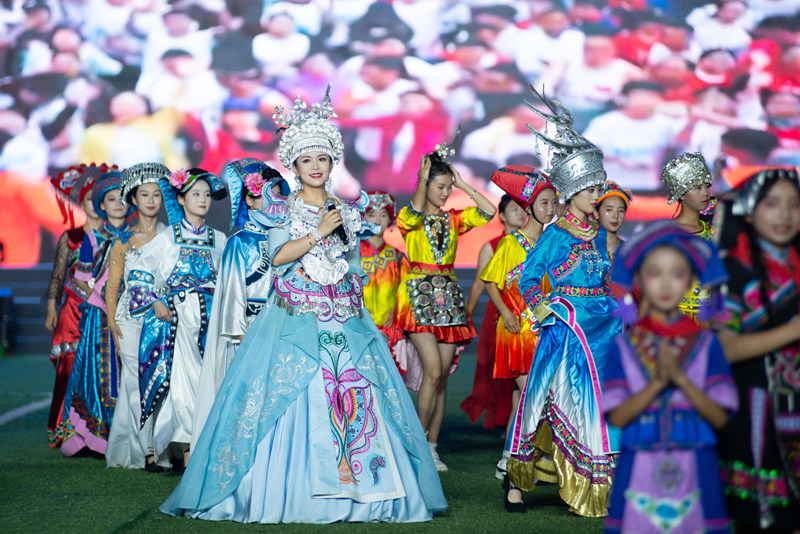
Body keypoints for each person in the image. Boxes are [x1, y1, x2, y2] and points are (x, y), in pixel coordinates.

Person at [160, 88, 447, 523]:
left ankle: (365, 486)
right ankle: (291, 489)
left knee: (358, 395)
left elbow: (351, 267)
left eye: (323, 159)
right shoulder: (281, 209)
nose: (315, 167)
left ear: (333, 163)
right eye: (306, 160)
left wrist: (346, 268)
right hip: (296, 315)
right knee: (292, 395)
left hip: (344, 316)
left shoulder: (346, 212)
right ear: (293, 166)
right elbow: (276, 259)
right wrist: (317, 233)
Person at [504, 89, 622, 515]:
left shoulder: (597, 235)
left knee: (604, 400)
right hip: (569, 329)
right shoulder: (556, 235)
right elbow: (528, 277)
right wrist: (545, 305)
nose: (598, 195)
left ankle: (595, 484)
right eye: (591, 189)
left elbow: (603, 279)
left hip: (603, 325)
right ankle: (518, 482)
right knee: (555, 401)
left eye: (598, 188)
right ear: (572, 192)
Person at [603, 221, 737, 533]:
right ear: (638, 280)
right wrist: (659, 384)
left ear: (692, 279)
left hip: (696, 468)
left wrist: (679, 378)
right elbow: (618, 417)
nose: (665, 284)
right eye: (655, 273)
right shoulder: (624, 346)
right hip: (639, 470)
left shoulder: (707, 343)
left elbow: (720, 417)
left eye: (677, 274)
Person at [395, 140, 496, 472]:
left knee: (441, 382)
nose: (444, 192)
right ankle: (416, 444)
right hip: (419, 297)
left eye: (446, 187)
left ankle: (431, 447)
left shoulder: (454, 218)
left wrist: (464, 184)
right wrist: (423, 182)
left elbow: (487, 211)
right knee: (433, 372)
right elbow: (412, 211)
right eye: (439, 186)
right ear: (426, 185)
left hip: (450, 300)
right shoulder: (410, 218)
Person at [715, 168, 800, 532]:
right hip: (757, 408)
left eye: (795, 205)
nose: (784, 214)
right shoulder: (730, 271)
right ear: (749, 211)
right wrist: (793, 331)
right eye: (772, 204)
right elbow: (726, 348)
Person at [128, 167, 228, 472]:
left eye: (207, 195)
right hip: (177, 322)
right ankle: (189, 454)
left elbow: (230, 282)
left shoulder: (220, 239)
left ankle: (201, 450)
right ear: (181, 199)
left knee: (210, 384)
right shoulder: (167, 238)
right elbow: (138, 277)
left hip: (211, 323)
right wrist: (156, 301)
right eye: (195, 194)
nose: (203, 200)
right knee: (185, 387)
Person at [189, 158, 288, 452]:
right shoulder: (239, 242)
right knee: (246, 395)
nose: (274, 203)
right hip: (248, 330)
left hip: (280, 327)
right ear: (250, 199)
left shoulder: (283, 239)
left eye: (279, 195)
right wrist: (241, 336)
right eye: (266, 195)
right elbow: (232, 293)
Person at [479, 166, 556, 477]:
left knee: (524, 397)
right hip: (516, 329)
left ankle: (514, 456)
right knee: (533, 393)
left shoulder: (552, 244)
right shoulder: (512, 244)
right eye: (543, 203)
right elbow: (489, 282)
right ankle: (513, 457)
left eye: (553, 203)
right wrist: (506, 313)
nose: (549, 209)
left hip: (545, 329)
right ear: (529, 207)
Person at [61, 168, 133, 457]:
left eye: (122, 199)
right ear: (101, 205)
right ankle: (99, 434)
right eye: (111, 199)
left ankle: (128, 434)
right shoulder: (91, 240)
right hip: (100, 317)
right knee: (101, 374)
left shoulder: (136, 237)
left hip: (129, 312)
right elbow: (80, 277)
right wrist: (97, 294)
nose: (118, 204)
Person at [104, 163, 168, 471]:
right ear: (134, 198)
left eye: (157, 194)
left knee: (162, 382)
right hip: (130, 319)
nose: (151, 200)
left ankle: (161, 446)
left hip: (164, 320)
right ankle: (147, 453)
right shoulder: (124, 241)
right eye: (145, 194)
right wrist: (112, 321)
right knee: (134, 383)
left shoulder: (172, 238)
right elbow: (113, 285)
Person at [45, 164, 103, 447]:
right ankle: (62, 428)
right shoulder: (70, 237)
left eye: (100, 197)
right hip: (72, 311)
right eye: (90, 198)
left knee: (99, 368)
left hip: (102, 310)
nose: (95, 203)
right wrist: (51, 307)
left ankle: (94, 430)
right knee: (68, 369)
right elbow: (58, 274)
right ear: (82, 202)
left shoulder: (113, 236)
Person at [460, 195, 524, 433]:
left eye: (522, 209)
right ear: (503, 216)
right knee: (497, 368)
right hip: (497, 313)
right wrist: (467, 316)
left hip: (526, 314)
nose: (520, 213)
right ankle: (503, 419)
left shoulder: (535, 244)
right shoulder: (492, 246)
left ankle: (514, 422)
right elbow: (479, 282)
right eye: (514, 209)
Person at [661, 152, 714, 320]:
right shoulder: (664, 234)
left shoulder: (714, 232)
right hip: (676, 318)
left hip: (711, 318)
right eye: (698, 187)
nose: (705, 193)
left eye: (707, 186)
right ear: (682, 193)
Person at [360, 191, 408, 337]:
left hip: (391, 330)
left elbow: (407, 292)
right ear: (363, 218)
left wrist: (396, 314)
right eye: (372, 215)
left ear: (390, 220)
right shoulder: (350, 256)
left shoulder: (398, 258)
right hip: (359, 328)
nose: (377, 221)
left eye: (383, 215)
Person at [595, 181, 632, 257]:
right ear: (596, 213)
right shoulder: (584, 249)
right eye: (609, 210)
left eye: (620, 211)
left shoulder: (629, 250)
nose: (615, 216)